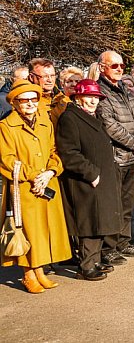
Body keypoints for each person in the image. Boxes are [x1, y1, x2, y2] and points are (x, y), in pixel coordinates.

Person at [0, 79, 71, 293]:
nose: (30, 103)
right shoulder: (6, 126)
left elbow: (54, 151)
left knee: (44, 230)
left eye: (33, 99)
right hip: (24, 188)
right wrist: (33, 176)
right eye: (24, 100)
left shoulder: (45, 122)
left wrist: (50, 172)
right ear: (15, 103)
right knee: (28, 230)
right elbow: (7, 159)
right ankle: (28, 273)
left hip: (48, 184)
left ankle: (39, 269)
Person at [56, 79, 123, 281]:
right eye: (88, 97)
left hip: (101, 178)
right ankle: (86, 266)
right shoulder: (70, 118)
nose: (93, 101)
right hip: (85, 181)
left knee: (99, 222)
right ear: (78, 97)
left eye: (95, 97)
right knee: (89, 225)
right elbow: (69, 152)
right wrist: (91, 173)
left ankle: (94, 260)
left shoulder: (92, 116)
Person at [96, 50, 134, 263]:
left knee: (128, 203)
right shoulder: (100, 91)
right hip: (115, 157)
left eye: (121, 66)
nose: (119, 69)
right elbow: (109, 125)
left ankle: (122, 242)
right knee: (113, 205)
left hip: (132, 158)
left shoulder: (126, 90)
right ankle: (108, 248)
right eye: (114, 65)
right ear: (102, 67)